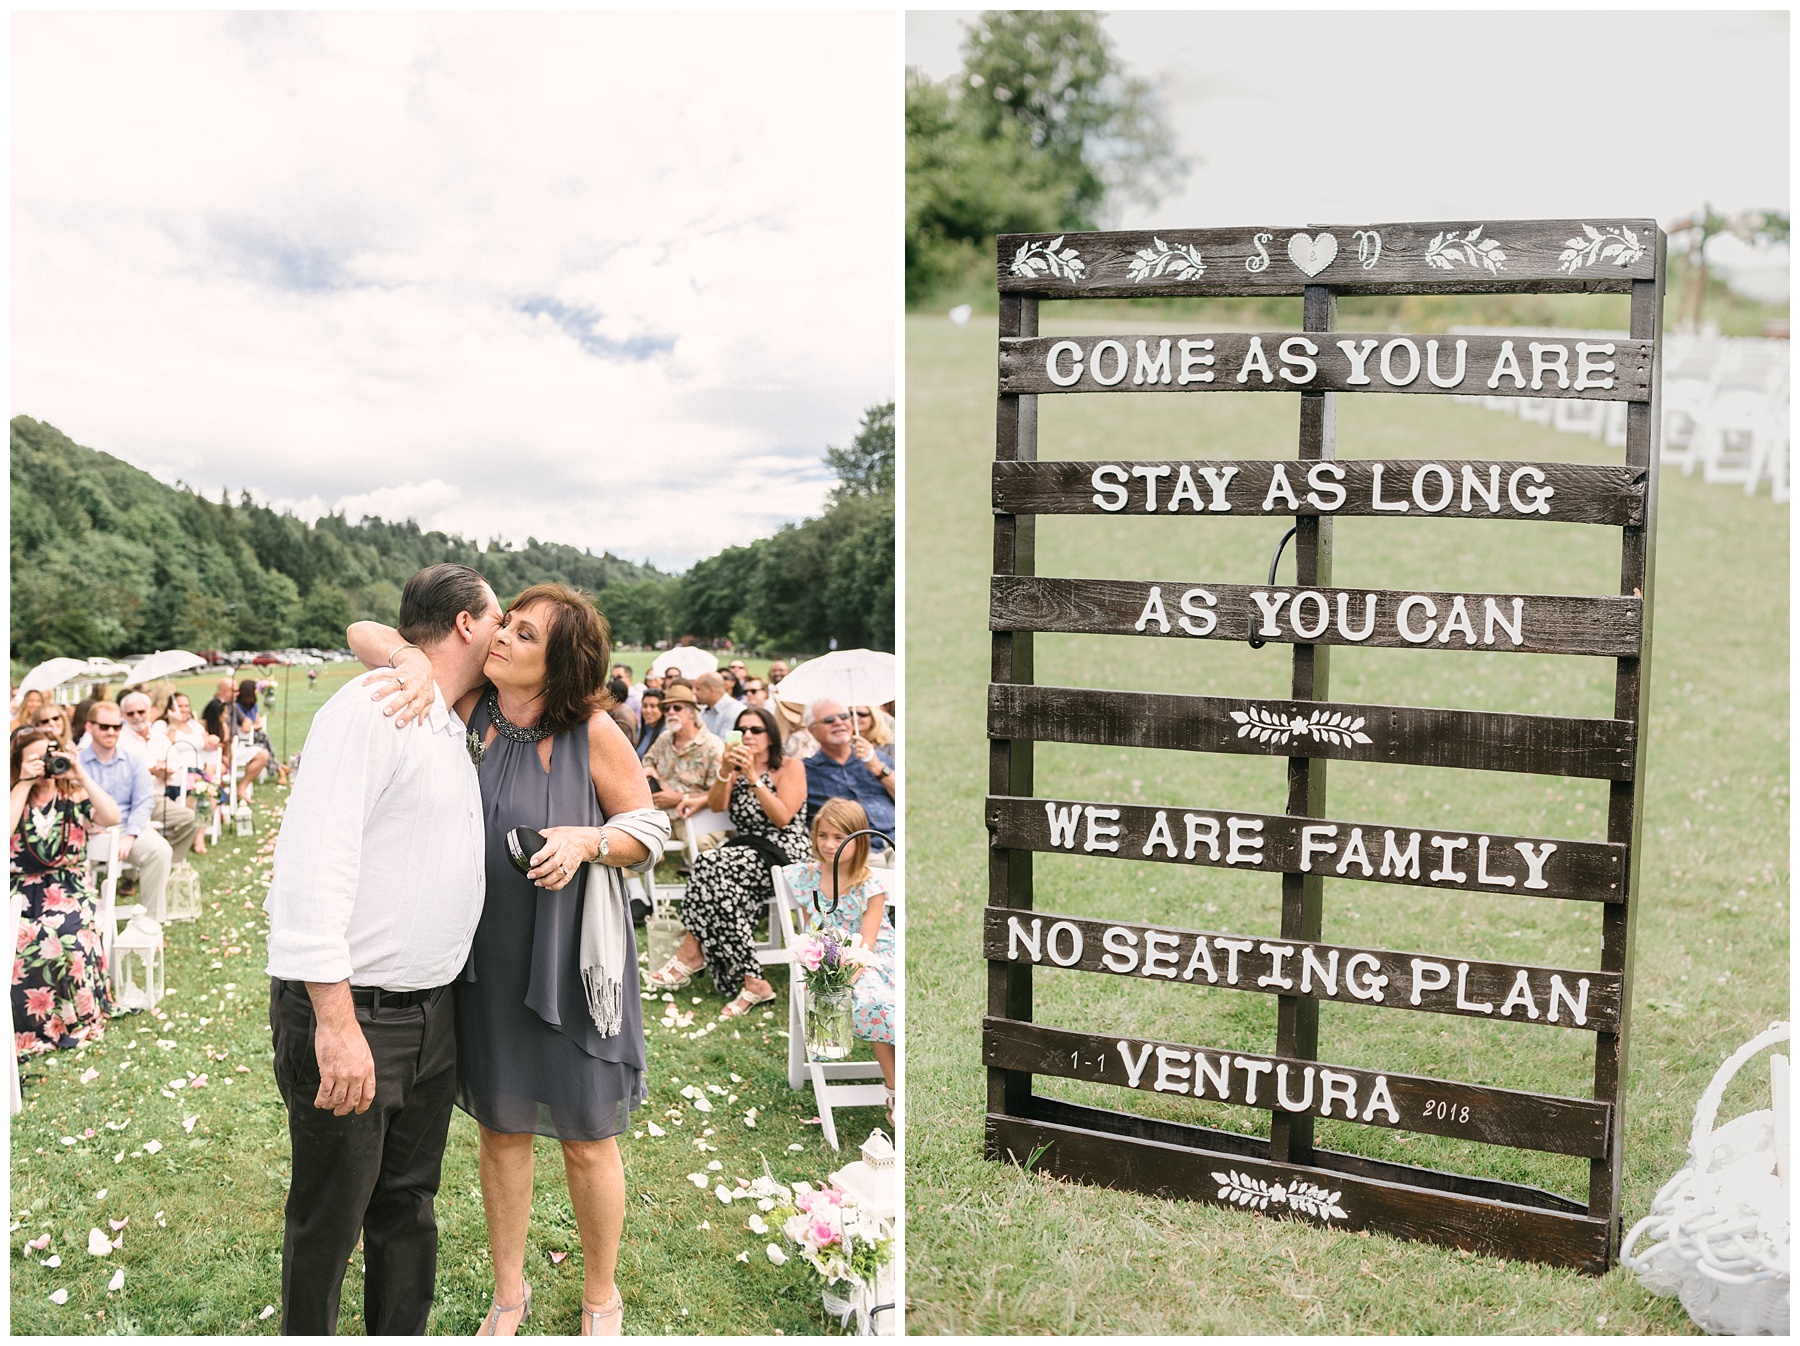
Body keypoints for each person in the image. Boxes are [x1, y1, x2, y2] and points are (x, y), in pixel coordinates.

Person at [353, 579, 669, 1337]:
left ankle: (601, 1296)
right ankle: (509, 1292)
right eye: (509, 626)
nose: (502, 639)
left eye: (525, 635)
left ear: (561, 663)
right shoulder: (468, 710)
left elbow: (648, 827)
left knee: (591, 1141)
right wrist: (410, 661)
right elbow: (364, 632)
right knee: (502, 1132)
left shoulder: (593, 731)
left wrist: (586, 840)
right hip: (484, 962)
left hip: (571, 960)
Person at [264, 563, 502, 1336]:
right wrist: (335, 1027)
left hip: (432, 1015)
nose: (503, 632)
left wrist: (397, 652)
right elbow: (310, 872)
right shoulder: (372, 711)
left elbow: (370, 634)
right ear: (467, 623)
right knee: (329, 1222)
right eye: (499, 617)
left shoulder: (451, 712)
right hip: (356, 1015)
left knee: (409, 1209)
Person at [646, 705, 808, 1017]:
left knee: (711, 864)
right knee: (715, 871)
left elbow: (783, 818)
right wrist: (725, 770)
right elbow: (719, 804)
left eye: (756, 730)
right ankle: (753, 980)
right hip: (746, 851)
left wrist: (752, 777)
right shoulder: (733, 766)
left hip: (785, 849)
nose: (748, 736)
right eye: (742, 730)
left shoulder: (790, 766)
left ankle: (693, 953)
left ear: (771, 736)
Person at [780, 798, 895, 1117]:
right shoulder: (805, 879)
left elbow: (867, 944)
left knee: (885, 1001)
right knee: (876, 1004)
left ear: (858, 841)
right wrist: (830, 976)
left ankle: (898, 1092)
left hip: (872, 960)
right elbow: (811, 931)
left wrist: (848, 976)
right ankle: (896, 1094)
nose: (830, 845)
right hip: (829, 963)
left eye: (839, 837)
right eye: (823, 836)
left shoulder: (870, 884)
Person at [11, 725, 122, 1054]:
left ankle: (73, 1019)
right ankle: (25, 1027)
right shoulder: (12, 795)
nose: (43, 765)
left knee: (65, 930)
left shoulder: (73, 796)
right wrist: (23, 781)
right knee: (17, 934)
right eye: (33, 759)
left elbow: (112, 817)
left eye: (47, 757)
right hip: (18, 892)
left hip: (69, 889)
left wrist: (81, 775)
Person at [76, 701, 189, 922]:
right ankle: (82, 923)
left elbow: (144, 802)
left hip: (126, 826)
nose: (111, 732)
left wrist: (131, 835)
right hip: (84, 829)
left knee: (160, 851)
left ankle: (150, 923)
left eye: (116, 727)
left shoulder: (132, 762)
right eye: (104, 727)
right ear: (89, 727)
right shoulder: (77, 762)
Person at [801, 699, 894, 854]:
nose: (838, 723)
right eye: (829, 720)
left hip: (895, 842)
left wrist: (876, 767)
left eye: (844, 716)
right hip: (851, 855)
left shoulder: (877, 759)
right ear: (812, 730)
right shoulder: (805, 770)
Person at [642, 686, 721, 837]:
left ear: (691, 712)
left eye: (677, 708)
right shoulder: (664, 739)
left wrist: (681, 798)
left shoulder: (712, 746)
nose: (671, 712)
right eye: (666, 709)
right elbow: (649, 758)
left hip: (697, 814)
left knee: (700, 846)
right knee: (637, 845)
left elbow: (718, 794)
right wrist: (649, 767)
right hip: (660, 814)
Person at [233, 680, 286, 791]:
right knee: (264, 738)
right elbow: (246, 728)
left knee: (263, 742)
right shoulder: (237, 707)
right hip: (245, 737)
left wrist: (254, 726)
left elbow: (258, 722)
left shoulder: (253, 706)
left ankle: (279, 767)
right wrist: (254, 726)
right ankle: (279, 769)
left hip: (255, 735)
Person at [692, 671, 744, 740]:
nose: (695, 693)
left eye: (698, 689)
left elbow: (725, 743)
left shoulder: (734, 711)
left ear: (711, 690)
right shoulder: (704, 710)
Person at [633, 689, 666, 760]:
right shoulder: (641, 731)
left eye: (653, 706)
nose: (648, 710)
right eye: (644, 706)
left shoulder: (666, 733)